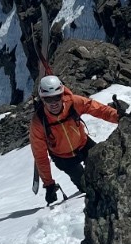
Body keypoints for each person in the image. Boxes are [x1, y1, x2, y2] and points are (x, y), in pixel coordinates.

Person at [29, 74, 119, 203]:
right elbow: (40, 156)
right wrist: (49, 185)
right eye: (48, 99)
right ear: (42, 100)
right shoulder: (38, 123)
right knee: (87, 188)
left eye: (57, 97)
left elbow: (98, 109)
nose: (54, 102)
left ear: (62, 94)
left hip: (83, 145)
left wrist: (118, 117)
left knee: (105, 170)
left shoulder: (73, 102)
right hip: (64, 158)